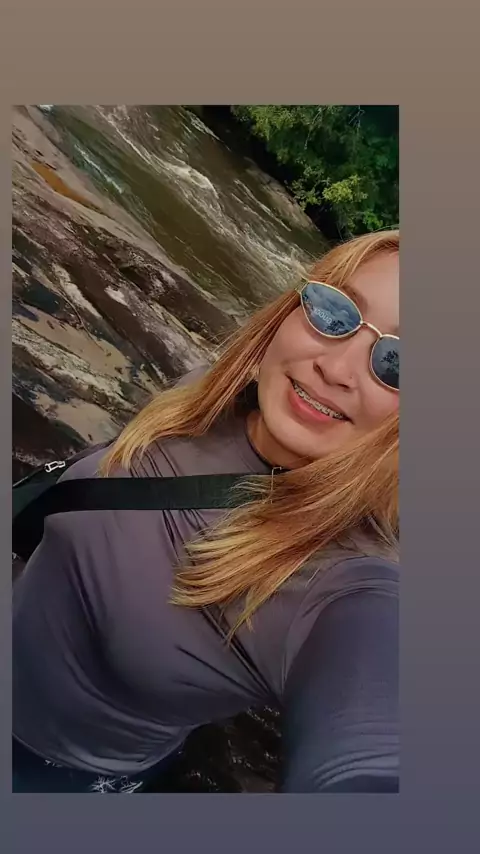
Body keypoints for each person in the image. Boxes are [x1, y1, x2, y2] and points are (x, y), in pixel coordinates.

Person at [12, 229, 399, 794]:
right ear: (292, 308)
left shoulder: (340, 583)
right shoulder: (214, 398)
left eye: (396, 362)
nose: (336, 368)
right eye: (335, 313)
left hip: (44, 770)